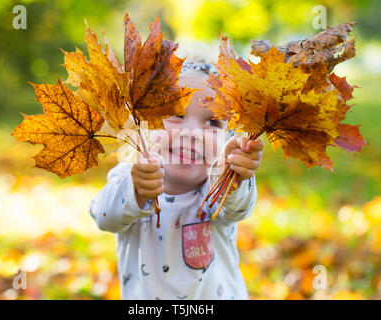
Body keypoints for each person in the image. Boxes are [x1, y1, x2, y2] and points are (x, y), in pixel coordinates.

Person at [88, 59, 264, 300]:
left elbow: (238, 208)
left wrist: (237, 174)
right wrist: (137, 191)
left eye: (212, 122)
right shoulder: (129, 177)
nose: (191, 133)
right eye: (176, 114)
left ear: (228, 138)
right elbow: (104, 216)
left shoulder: (216, 190)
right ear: (147, 123)